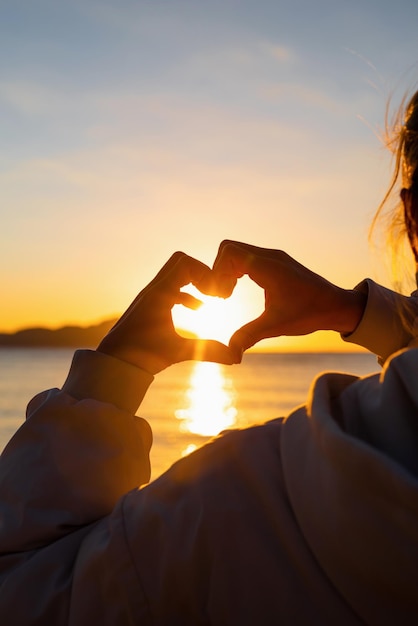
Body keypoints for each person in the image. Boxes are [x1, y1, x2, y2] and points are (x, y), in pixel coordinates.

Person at [1, 93, 418, 626]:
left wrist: (116, 370)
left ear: (412, 215)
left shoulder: (243, 503)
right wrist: (359, 311)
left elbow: (22, 593)